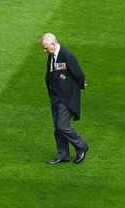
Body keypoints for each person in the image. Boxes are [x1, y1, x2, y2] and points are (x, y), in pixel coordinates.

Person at [41, 33, 89, 165]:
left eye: (46, 48)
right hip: (55, 97)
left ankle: (82, 146)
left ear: (53, 44)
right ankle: (63, 155)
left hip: (66, 98)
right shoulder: (51, 56)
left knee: (63, 126)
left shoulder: (66, 54)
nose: (45, 51)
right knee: (58, 128)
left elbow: (78, 74)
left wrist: (78, 89)